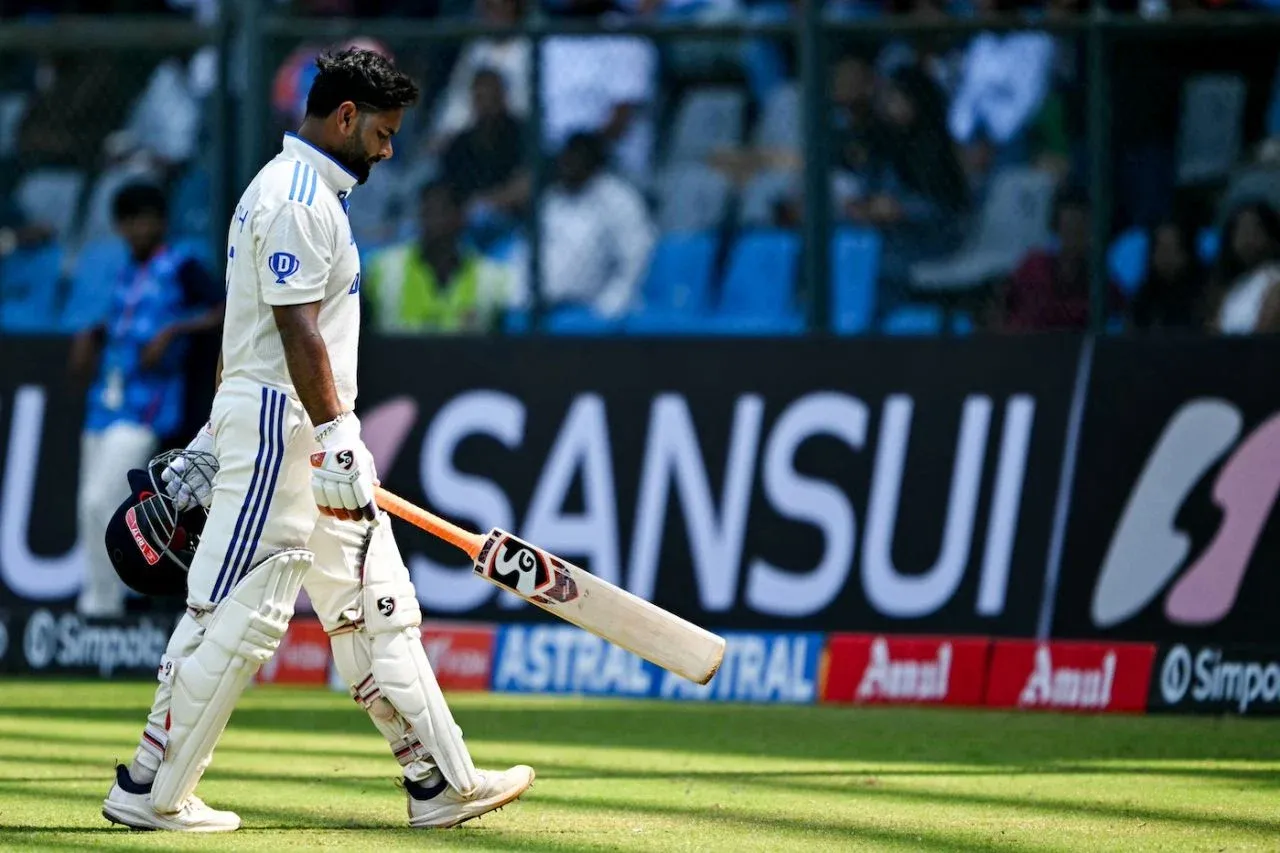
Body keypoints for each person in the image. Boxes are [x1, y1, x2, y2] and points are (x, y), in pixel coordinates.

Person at [101, 48, 534, 833]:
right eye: (383, 133)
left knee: (376, 606)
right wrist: (331, 434)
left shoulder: (302, 192)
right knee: (236, 612)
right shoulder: (297, 197)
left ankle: (440, 780)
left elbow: (251, 330)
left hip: (299, 427)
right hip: (284, 429)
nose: (389, 150)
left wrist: (279, 430)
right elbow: (293, 328)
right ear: (344, 116)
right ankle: (150, 786)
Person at [67, 182, 224, 618]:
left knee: (101, 501)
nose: (139, 228)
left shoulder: (182, 266)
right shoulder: (124, 273)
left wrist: (174, 331)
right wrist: (94, 334)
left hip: (149, 408)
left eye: (146, 218)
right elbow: (122, 324)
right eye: (130, 220)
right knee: (88, 506)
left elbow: (223, 309)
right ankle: (95, 601)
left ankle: (108, 606)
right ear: (119, 227)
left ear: (162, 222)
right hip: (105, 405)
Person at [363, 180, 513, 334]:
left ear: (461, 218)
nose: (433, 221)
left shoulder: (491, 278)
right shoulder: (385, 269)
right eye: (428, 212)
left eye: (442, 212)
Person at [537, 132, 655, 319]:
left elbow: (637, 256)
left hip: (595, 308)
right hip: (545, 306)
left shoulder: (619, 199)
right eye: (565, 158)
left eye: (574, 158)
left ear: (593, 163)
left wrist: (610, 305)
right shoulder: (552, 199)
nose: (566, 165)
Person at [996, 188, 1123, 332]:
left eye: (1081, 230)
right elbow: (1005, 311)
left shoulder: (1101, 284)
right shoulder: (1032, 270)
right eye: (1069, 228)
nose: (1074, 237)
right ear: (1056, 228)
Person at [440, 68, 530, 233]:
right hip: (467, 228)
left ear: (503, 97)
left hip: (517, 224)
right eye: (481, 98)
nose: (487, 106)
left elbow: (527, 185)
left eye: (492, 98)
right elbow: (450, 193)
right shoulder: (459, 146)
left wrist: (488, 203)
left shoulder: (524, 135)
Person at [1209, 200, 1280, 335]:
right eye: (1240, 231)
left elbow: (1263, 335)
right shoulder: (1233, 286)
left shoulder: (1275, 280)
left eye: (1252, 231)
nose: (1246, 239)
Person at [1130, 219, 1207, 331]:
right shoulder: (1141, 301)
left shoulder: (1204, 297)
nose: (1165, 257)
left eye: (1171, 249)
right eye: (1160, 249)